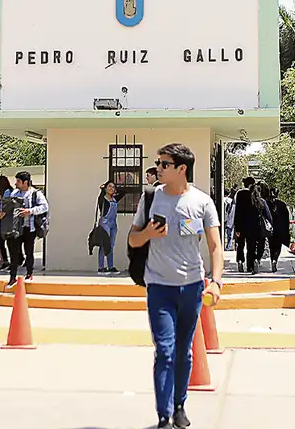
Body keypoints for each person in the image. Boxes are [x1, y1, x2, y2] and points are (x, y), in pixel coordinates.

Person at [128, 143, 223, 429]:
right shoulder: (150, 198)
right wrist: (147, 233)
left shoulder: (202, 202)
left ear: (182, 169)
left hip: (192, 287)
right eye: (158, 163)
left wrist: (216, 282)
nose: (158, 168)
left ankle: (180, 405)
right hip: (159, 286)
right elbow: (133, 240)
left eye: (164, 164)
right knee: (165, 351)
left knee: (184, 352)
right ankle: (163, 415)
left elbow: (215, 247)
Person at [7, 171, 48, 289]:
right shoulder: (14, 193)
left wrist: (30, 211)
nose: (16, 183)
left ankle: (29, 273)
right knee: (14, 253)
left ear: (25, 182)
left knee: (29, 251)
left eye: (18, 181)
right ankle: (12, 277)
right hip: (16, 228)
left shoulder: (35, 193)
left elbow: (44, 207)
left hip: (30, 228)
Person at [96, 180, 123, 273]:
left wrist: (116, 190)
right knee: (104, 245)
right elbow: (100, 198)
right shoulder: (103, 199)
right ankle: (101, 267)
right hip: (105, 224)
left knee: (111, 246)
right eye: (109, 186)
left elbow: (124, 192)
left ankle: (110, 267)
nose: (112, 188)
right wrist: (101, 189)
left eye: (113, 187)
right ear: (105, 188)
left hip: (113, 225)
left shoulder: (114, 199)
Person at [0, 175, 14, 270]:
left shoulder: (7, 192)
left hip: (6, 220)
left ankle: (10, 261)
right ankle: (5, 260)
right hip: (2, 219)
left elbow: (6, 206)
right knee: (0, 241)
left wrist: (0, 215)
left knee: (8, 242)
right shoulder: (0, 194)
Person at [268, 188, 290, 273]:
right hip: (280, 230)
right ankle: (275, 260)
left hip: (270, 229)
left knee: (271, 246)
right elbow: (286, 219)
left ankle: (272, 260)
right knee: (278, 247)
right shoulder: (282, 204)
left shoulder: (267, 204)